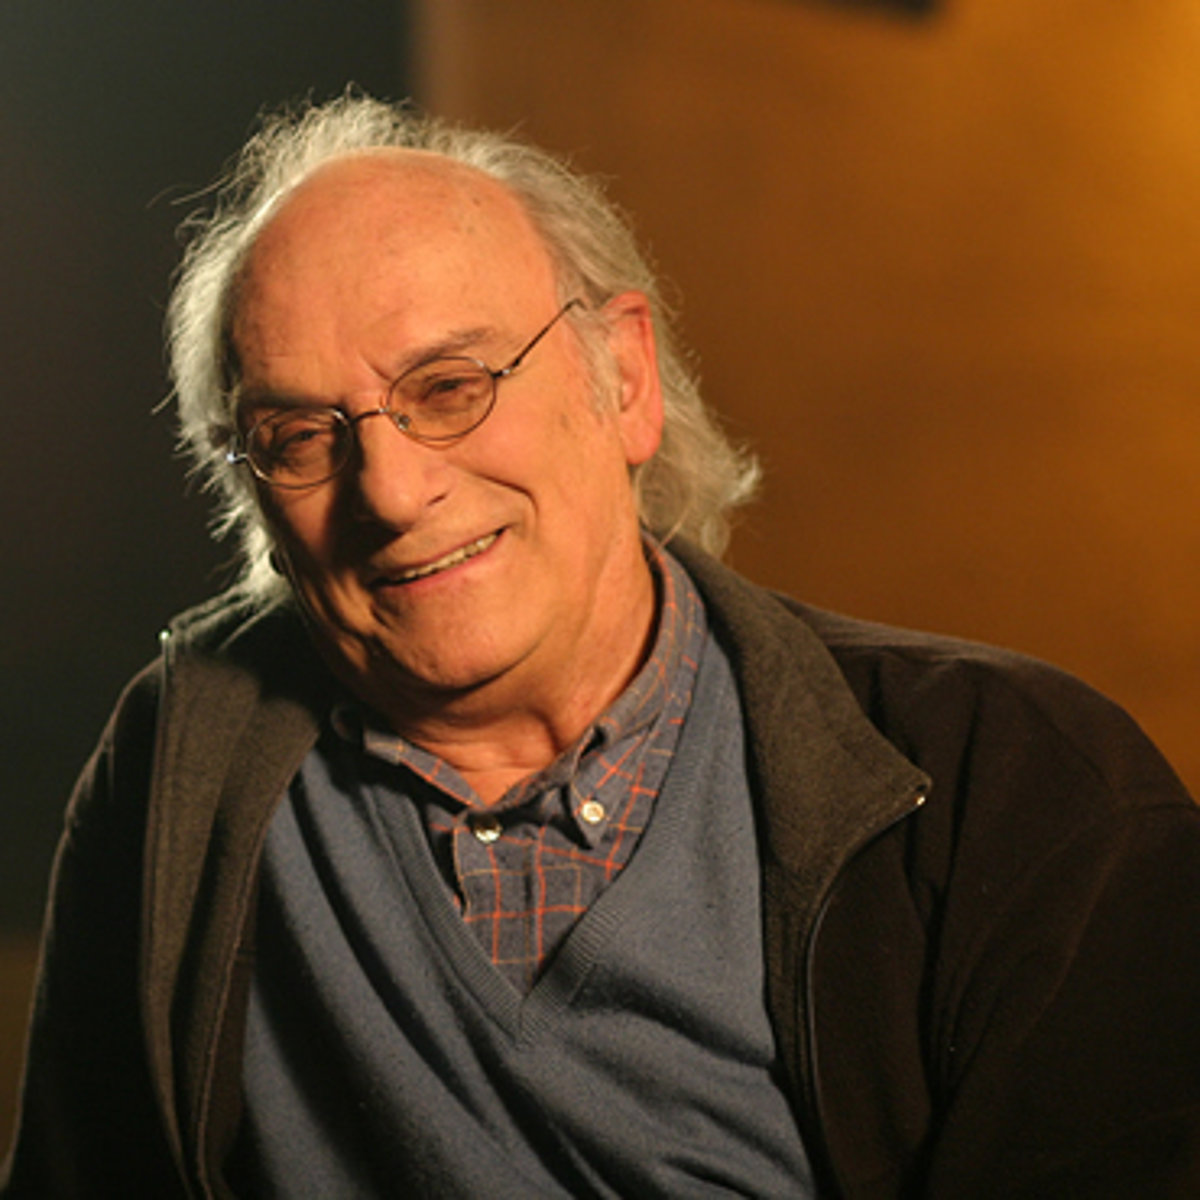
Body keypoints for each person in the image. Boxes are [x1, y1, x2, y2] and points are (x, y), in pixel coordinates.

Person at [3, 92, 1199, 1200]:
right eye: (299, 435)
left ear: (624, 377)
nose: (394, 491)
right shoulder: (179, 768)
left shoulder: (1030, 797)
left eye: (450, 386)